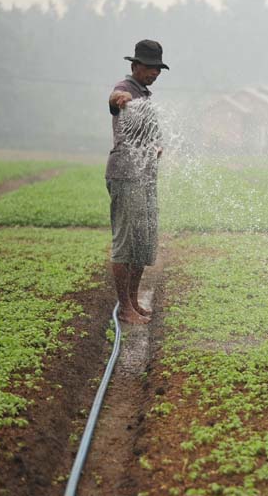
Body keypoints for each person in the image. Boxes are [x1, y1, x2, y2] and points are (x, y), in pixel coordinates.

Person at [105, 39, 169, 324]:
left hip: (144, 176)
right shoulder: (126, 89)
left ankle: (133, 301)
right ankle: (124, 308)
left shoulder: (144, 94)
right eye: (151, 67)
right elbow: (115, 97)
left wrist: (156, 146)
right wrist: (119, 99)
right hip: (126, 175)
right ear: (136, 66)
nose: (155, 72)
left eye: (158, 68)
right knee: (126, 243)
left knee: (142, 243)